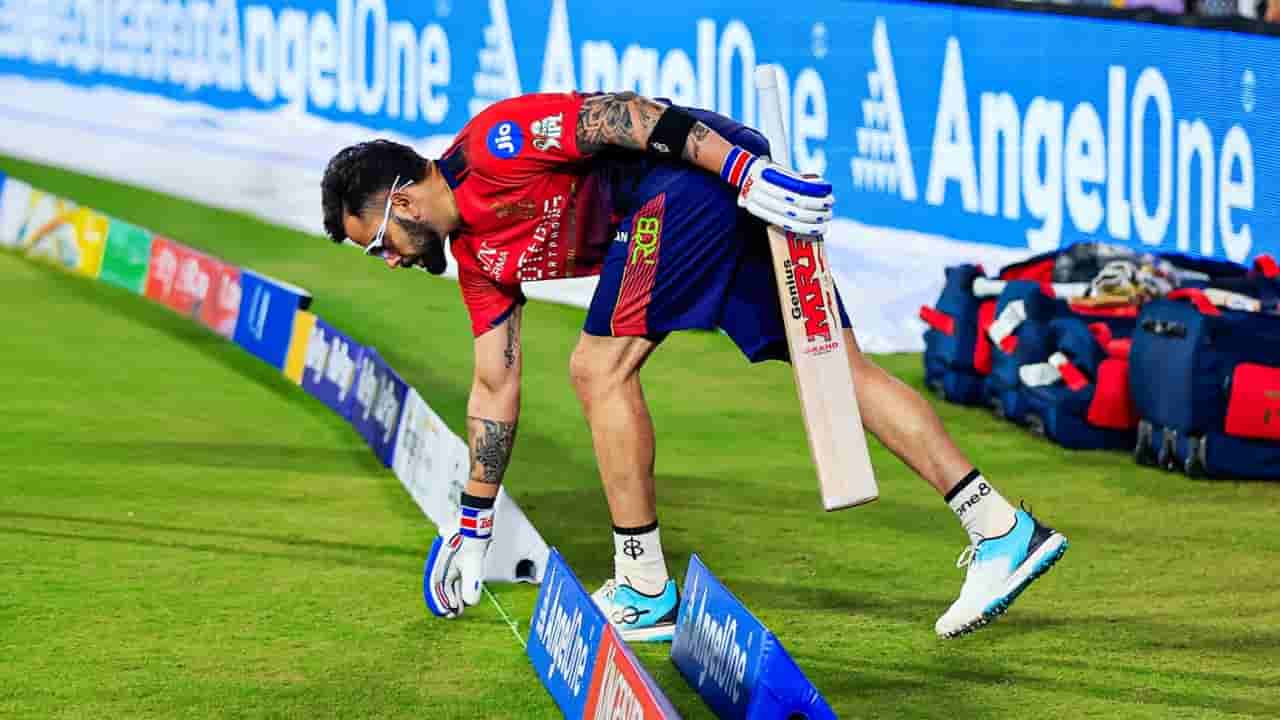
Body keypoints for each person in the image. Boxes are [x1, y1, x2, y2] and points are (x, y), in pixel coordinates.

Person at [319, 91, 1068, 642]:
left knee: (597, 369)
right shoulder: (481, 262)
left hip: (690, 178)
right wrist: (474, 525)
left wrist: (746, 173)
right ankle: (1002, 528)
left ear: (405, 201)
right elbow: (495, 385)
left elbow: (631, 116)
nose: (387, 260)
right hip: (699, 204)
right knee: (833, 368)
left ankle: (644, 587)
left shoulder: (495, 144)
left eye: (378, 241)